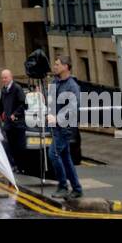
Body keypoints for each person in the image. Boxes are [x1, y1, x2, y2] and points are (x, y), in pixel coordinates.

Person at [46, 57, 82, 199]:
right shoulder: (55, 82)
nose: (54, 66)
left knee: (53, 154)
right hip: (56, 127)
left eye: (57, 64)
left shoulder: (72, 86)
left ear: (66, 67)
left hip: (65, 128)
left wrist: (58, 118)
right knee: (66, 158)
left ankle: (63, 186)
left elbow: (74, 108)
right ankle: (77, 188)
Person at [0, 68, 26, 173]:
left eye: (6, 77)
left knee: (19, 146)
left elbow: (23, 104)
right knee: (11, 146)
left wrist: (15, 114)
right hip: (8, 124)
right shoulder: (3, 90)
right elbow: (1, 106)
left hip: (18, 123)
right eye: (2, 78)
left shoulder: (17, 88)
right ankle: (15, 166)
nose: (4, 79)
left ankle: (21, 167)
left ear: (11, 77)